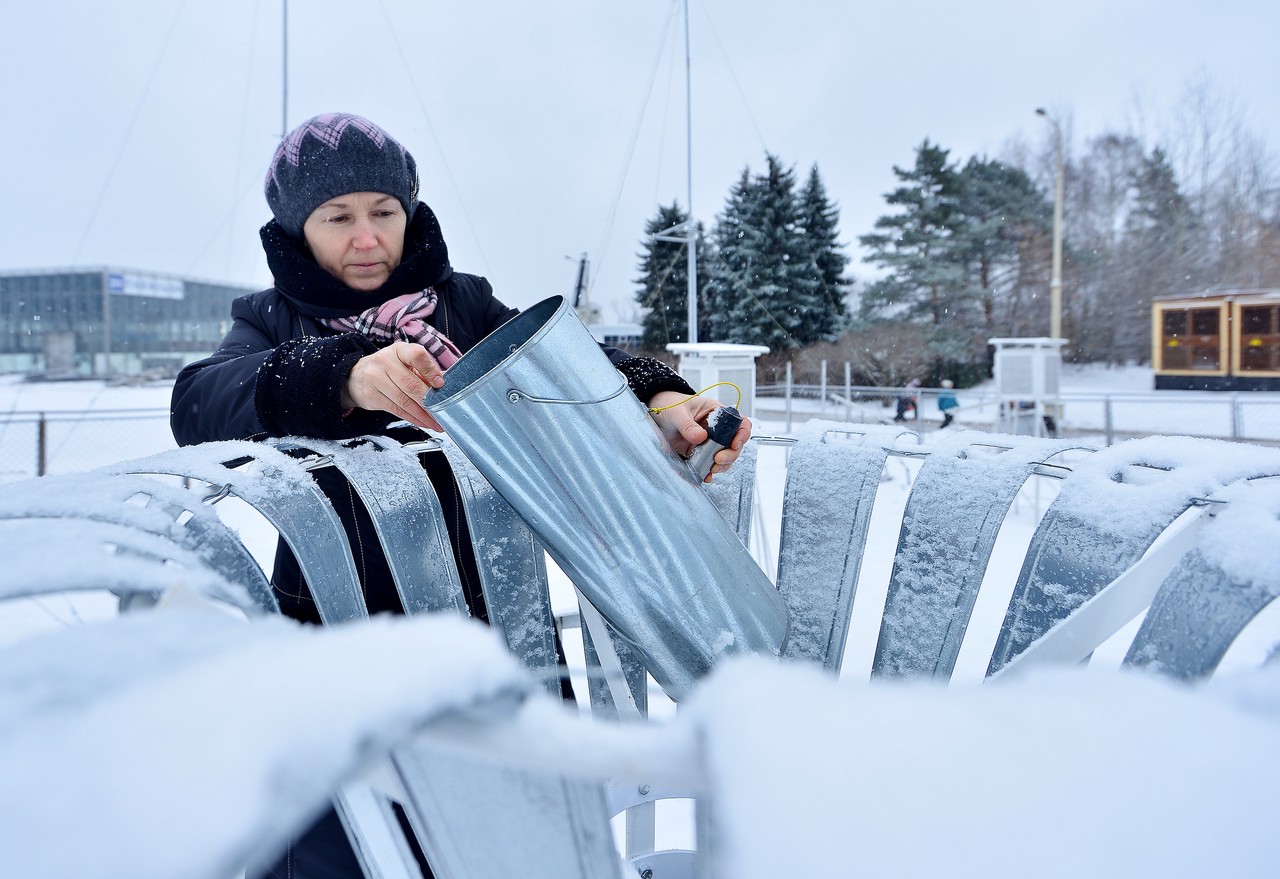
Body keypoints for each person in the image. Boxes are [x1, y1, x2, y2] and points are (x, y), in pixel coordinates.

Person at [170, 112, 751, 879]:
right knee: (343, 843)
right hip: (330, 629)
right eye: (337, 217)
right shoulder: (272, 321)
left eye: (384, 210)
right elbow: (199, 402)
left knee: (521, 833)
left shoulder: (464, 307)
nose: (368, 236)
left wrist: (665, 399)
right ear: (295, 229)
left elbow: (572, 367)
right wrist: (340, 372)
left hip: (489, 616)